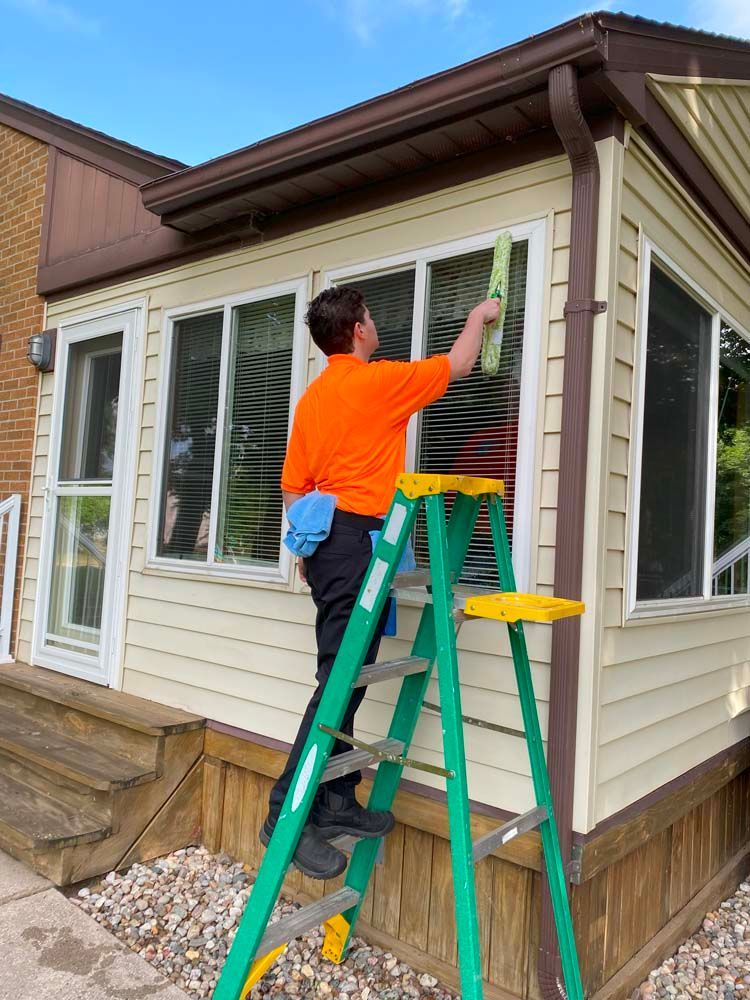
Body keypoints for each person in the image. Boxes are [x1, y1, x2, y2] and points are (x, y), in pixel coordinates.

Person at [261, 286, 501, 879]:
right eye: (371, 316)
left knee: (348, 675)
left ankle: (337, 801)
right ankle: (283, 817)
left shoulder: (313, 398)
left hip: (329, 546)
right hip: (351, 544)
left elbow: (295, 485)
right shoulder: (376, 383)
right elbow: (459, 364)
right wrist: (478, 314)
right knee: (339, 685)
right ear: (359, 331)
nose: (375, 322)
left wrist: (304, 550)